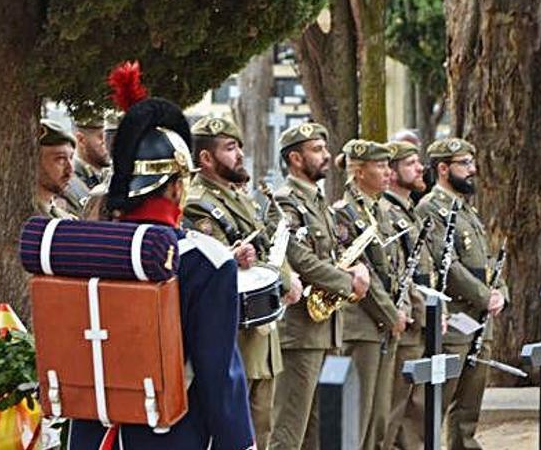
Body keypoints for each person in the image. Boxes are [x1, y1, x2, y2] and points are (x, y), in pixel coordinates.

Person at [68, 62, 255, 449]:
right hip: (172, 436)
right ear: (175, 186)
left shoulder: (80, 249)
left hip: (90, 435)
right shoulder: (206, 260)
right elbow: (219, 375)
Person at [183, 115, 302, 449]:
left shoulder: (239, 198)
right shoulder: (198, 204)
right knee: (236, 434)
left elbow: (267, 248)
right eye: (230, 148)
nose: (239, 156)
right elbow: (220, 264)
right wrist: (281, 278)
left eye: (239, 147)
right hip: (235, 333)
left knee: (262, 428)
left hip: (261, 333)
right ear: (205, 158)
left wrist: (286, 276)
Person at [269, 123, 371, 450]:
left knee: (320, 432)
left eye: (326, 149)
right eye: (317, 150)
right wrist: (347, 282)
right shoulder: (284, 203)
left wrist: (356, 268)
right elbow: (299, 259)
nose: (327, 156)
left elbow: (330, 255)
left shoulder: (317, 201)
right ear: (295, 158)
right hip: (300, 334)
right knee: (289, 431)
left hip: (327, 329)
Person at [416, 138, 508, 450]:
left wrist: (500, 292)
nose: (472, 170)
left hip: (481, 322)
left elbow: (489, 260)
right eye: (464, 164)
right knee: (440, 402)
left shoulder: (467, 211)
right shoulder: (431, 208)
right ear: (443, 169)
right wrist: (485, 296)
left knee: (469, 408)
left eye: (471, 163)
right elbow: (449, 267)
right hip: (456, 320)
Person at [331, 139, 405, 450]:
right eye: (379, 166)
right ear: (358, 171)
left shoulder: (385, 211)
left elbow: (397, 265)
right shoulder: (344, 213)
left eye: (388, 165)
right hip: (363, 325)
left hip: (387, 324)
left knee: (379, 417)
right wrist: (391, 315)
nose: (388, 172)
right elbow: (364, 274)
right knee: (358, 417)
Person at [382, 141, 432, 449]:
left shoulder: (409, 210)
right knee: (393, 408)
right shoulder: (388, 212)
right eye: (411, 163)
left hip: (422, 317)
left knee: (415, 407)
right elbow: (398, 272)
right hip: (407, 319)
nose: (419, 168)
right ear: (392, 171)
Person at [37, 119, 78, 219]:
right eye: (60, 159)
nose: (70, 169)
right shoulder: (17, 218)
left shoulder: (67, 219)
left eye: (71, 158)